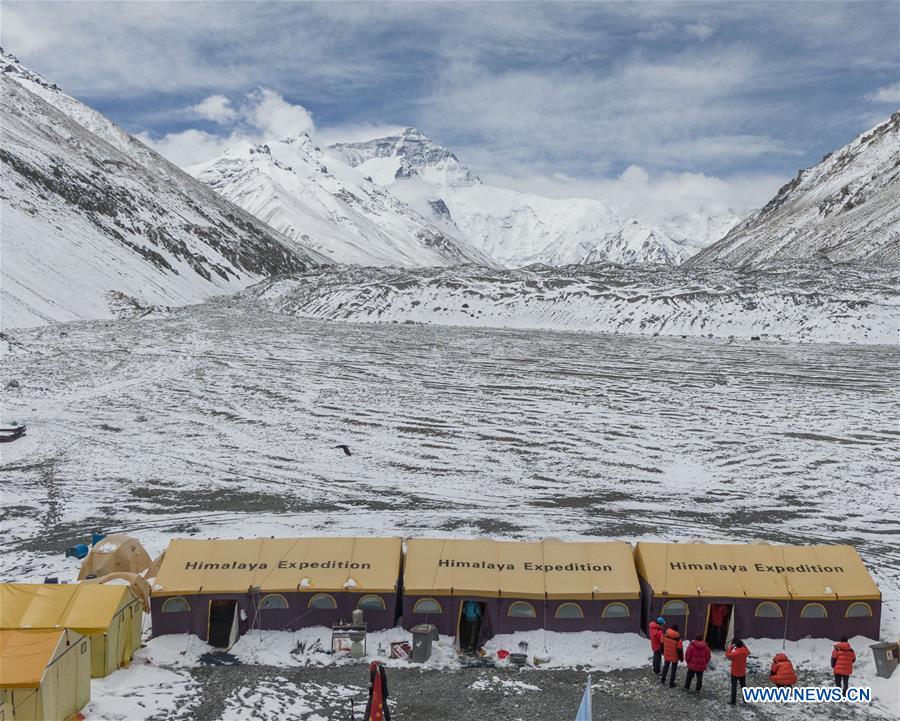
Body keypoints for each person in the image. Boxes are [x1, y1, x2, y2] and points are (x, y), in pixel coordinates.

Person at [725, 638, 750, 705]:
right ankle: (746, 699)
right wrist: (744, 645)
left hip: (734, 672)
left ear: (736, 646)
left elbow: (727, 654)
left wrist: (731, 647)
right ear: (742, 645)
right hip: (742, 672)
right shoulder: (745, 652)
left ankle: (733, 701)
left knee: (734, 687)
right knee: (744, 686)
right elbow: (748, 651)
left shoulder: (735, 653)